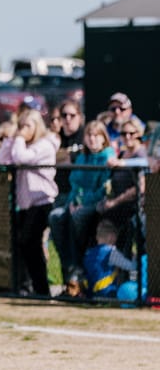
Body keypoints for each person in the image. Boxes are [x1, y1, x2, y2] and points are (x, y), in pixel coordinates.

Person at [0, 109, 58, 296]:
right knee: (23, 245)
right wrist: (12, 138)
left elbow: (21, 158)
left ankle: (41, 290)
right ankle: (27, 287)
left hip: (41, 201)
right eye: (21, 126)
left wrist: (19, 139)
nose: (24, 130)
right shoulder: (21, 144)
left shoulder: (44, 145)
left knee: (31, 242)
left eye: (28, 126)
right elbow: (3, 159)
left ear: (37, 126)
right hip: (24, 204)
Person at [48, 120, 115, 282]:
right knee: (55, 216)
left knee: (77, 217)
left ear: (103, 138)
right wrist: (72, 202)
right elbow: (75, 184)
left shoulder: (108, 157)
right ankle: (68, 262)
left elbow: (103, 189)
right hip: (76, 202)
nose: (92, 139)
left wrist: (81, 203)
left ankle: (77, 263)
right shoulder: (82, 157)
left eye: (96, 135)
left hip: (94, 204)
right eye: (89, 135)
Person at [99, 119, 148, 256]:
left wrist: (115, 202)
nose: (127, 137)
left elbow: (140, 187)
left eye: (131, 133)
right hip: (117, 206)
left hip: (135, 206)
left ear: (138, 134)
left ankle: (135, 270)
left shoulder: (142, 154)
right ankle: (109, 270)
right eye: (123, 133)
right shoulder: (121, 154)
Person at [82, 218, 137, 299]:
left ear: (97, 237)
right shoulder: (111, 251)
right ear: (111, 237)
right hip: (107, 294)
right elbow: (131, 267)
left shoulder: (88, 252)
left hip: (90, 295)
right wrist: (135, 258)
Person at [52, 100, 85, 201]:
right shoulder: (55, 137)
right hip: (58, 191)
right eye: (64, 115)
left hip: (80, 192)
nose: (68, 119)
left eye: (72, 115)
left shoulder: (86, 136)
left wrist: (62, 157)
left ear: (79, 117)